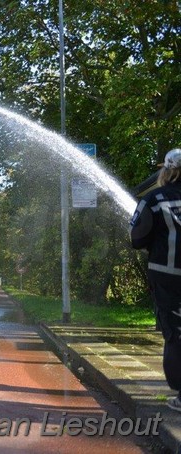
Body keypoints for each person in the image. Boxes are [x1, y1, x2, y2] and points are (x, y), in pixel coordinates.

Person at [130, 147, 181, 413]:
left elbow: (137, 239)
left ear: (167, 170)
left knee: (175, 334)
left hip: (168, 277)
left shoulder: (153, 199)